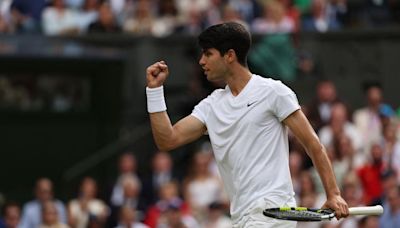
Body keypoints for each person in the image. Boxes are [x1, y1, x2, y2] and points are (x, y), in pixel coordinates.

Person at [145, 22, 349, 227]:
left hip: (272, 213)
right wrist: (154, 92)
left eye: (208, 54)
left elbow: (313, 144)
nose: (201, 61)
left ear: (230, 56)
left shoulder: (273, 92)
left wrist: (334, 194)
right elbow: (167, 139)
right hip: (241, 217)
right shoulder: (211, 106)